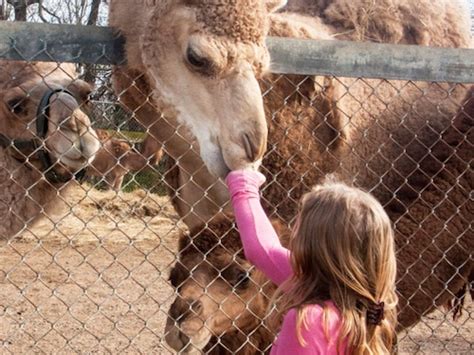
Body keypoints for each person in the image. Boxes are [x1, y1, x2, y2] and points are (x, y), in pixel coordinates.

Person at [226, 170, 398, 355]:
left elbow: (262, 250)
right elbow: (263, 249)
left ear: (312, 245)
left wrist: (242, 188)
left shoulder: (309, 322)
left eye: (299, 225)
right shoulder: (369, 309)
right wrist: (244, 188)